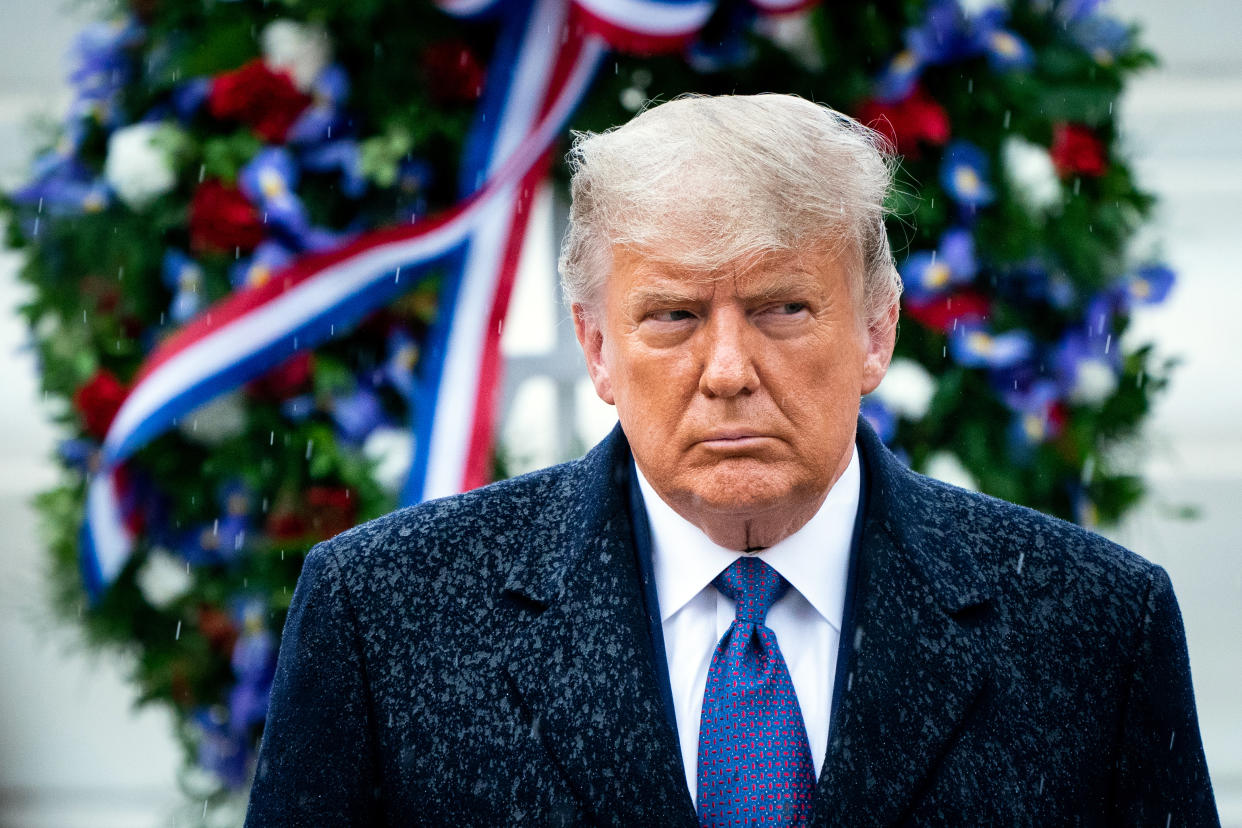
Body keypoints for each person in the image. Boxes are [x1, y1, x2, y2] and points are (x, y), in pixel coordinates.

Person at [244, 94, 1218, 827]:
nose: (726, 371)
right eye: (671, 316)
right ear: (595, 348)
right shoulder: (383, 615)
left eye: (782, 309)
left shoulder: (1095, 626)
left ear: (877, 331)